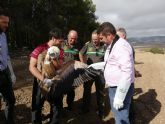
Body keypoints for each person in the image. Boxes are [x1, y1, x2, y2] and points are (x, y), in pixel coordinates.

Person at [96, 22, 135, 124]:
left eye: (101, 38)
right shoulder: (113, 44)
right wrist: (97, 66)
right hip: (115, 86)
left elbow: (127, 71)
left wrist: (119, 96)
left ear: (109, 35)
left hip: (120, 88)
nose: (101, 41)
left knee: (121, 119)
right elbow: (112, 62)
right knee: (118, 115)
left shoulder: (120, 46)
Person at [29, 27, 64, 124]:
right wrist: (43, 80)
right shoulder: (40, 48)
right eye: (59, 41)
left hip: (54, 81)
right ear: (53, 38)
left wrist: (54, 59)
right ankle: (36, 121)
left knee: (56, 105)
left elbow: (59, 67)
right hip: (40, 82)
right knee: (37, 104)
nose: (61, 43)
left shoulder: (60, 50)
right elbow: (32, 67)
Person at [79, 30, 106, 119]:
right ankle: (85, 109)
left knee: (100, 92)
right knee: (86, 91)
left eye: (96, 39)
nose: (94, 41)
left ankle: (101, 111)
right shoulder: (88, 45)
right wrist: (83, 64)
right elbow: (80, 53)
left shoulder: (104, 46)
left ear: (99, 38)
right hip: (89, 72)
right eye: (93, 39)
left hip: (100, 73)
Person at [0, 7, 16, 124]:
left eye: (8, 22)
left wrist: (11, 73)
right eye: (4, 22)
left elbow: (6, 56)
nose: (7, 25)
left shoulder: (3, 35)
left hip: (4, 72)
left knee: (11, 100)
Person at [62, 30, 82, 110]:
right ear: (68, 37)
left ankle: (70, 106)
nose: (73, 40)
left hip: (73, 72)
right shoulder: (62, 44)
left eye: (74, 39)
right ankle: (59, 108)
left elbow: (80, 58)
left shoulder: (78, 46)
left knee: (71, 90)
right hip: (62, 72)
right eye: (71, 38)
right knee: (60, 90)